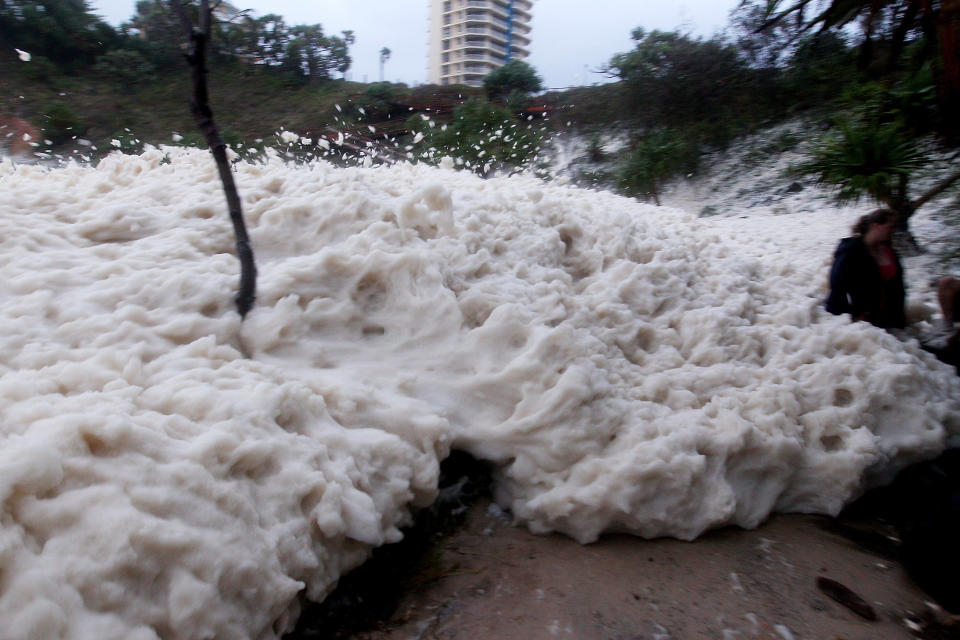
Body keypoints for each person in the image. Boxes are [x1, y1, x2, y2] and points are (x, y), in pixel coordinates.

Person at [825, 209, 906, 329]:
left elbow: (899, 287)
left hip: (891, 320)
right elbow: (837, 286)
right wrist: (848, 318)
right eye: (890, 227)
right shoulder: (851, 251)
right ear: (876, 226)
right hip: (865, 322)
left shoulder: (889, 251)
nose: (893, 231)